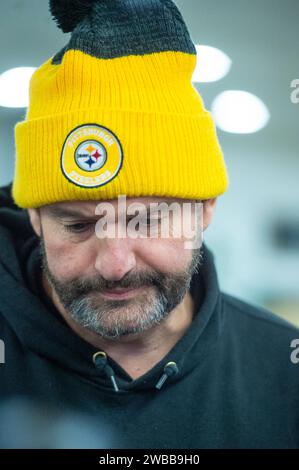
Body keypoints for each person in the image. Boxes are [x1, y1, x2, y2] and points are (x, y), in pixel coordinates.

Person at [0, 0, 298, 449]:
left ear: (204, 212)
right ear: (36, 220)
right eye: (79, 227)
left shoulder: (282, 366)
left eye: (148, 221)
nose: (115, 265)